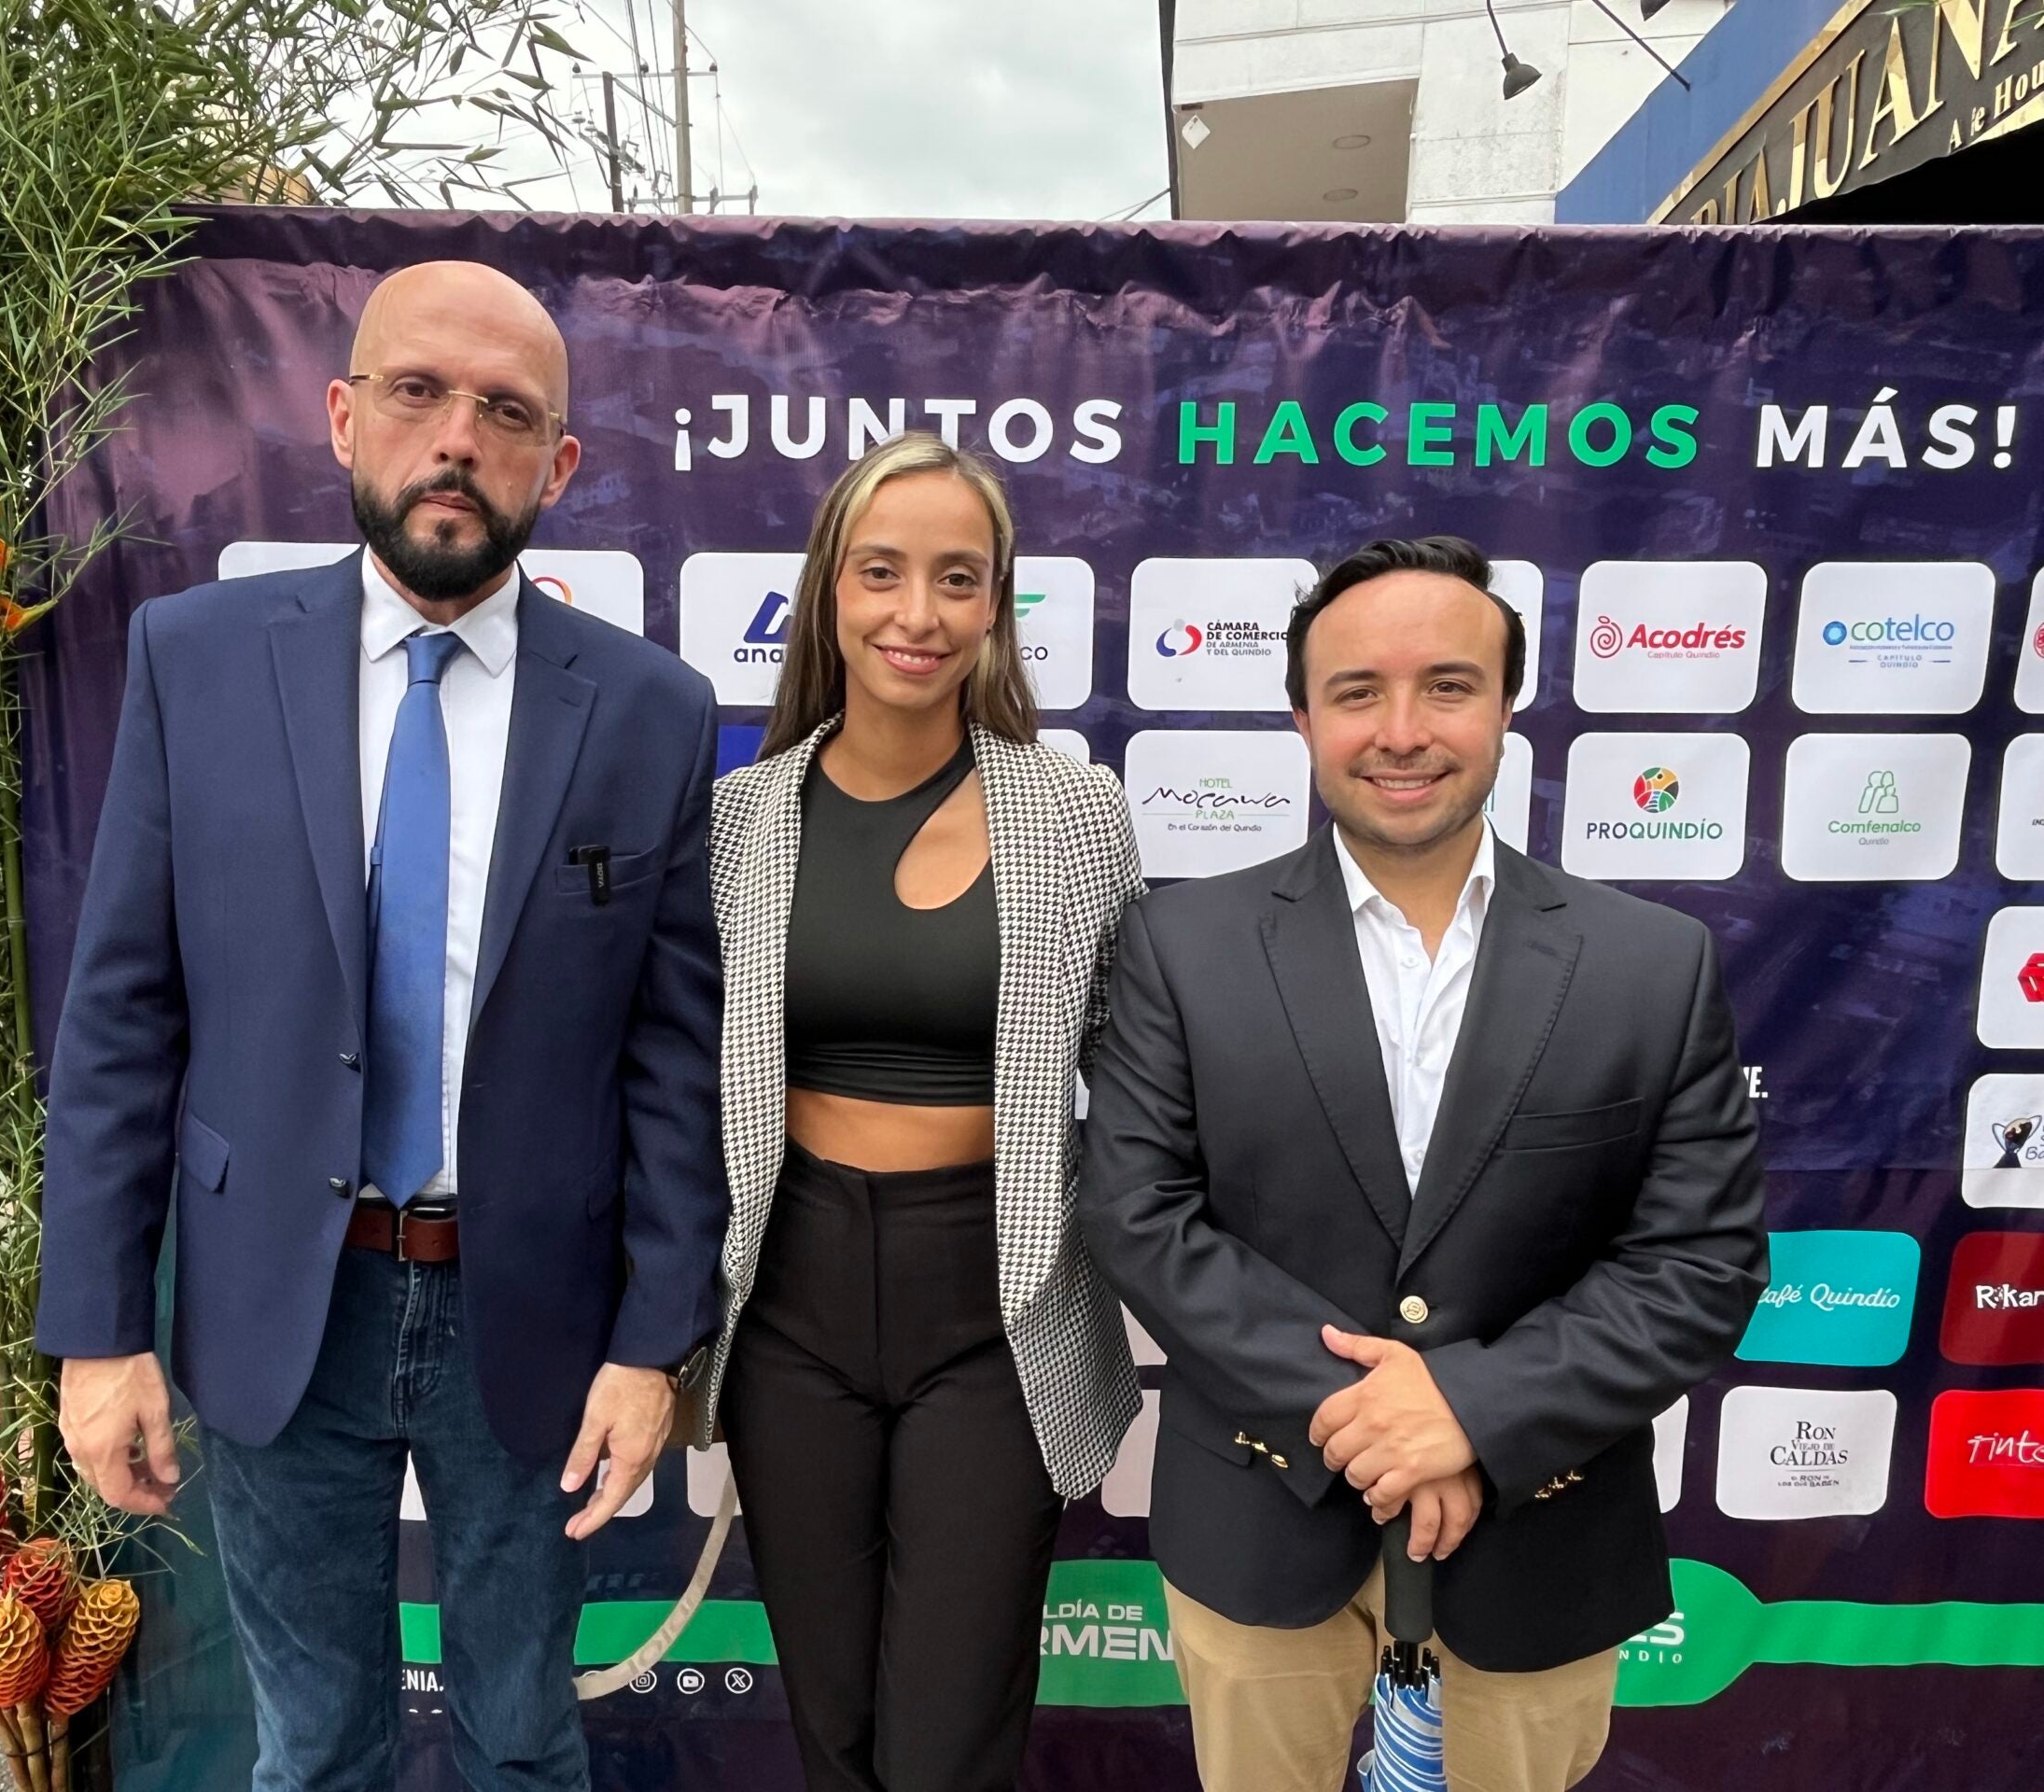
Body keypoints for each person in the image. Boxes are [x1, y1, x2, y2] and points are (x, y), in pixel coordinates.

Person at [39, 261, 728, 1792]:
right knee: (316, 1748)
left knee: (525, 1742)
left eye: (505, 411)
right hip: (282, 1306)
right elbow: (119, 1023)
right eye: (418, 392)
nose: (455, 438)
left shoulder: (650, 711)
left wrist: (654, 1346)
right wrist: (97, 1332)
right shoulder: (199, 663)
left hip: (533, 1317)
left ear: (558, 466)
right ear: (347, 417)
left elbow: (677, 1064)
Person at [1077, 536, 1768, 1792]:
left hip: (1543, 1524)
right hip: (1262, 1516)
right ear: (1302, 716)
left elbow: (1699, 1263)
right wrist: (1382, 1427)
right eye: (1357, 692)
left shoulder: (1651, 966)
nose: (1402, 731)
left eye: (1447, 685)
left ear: (1507, 706)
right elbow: (1139, 1217)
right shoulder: (1179, 946)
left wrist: (1472, 1414)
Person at [700, 432, 1144, 1792]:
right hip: (791, 1305)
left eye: (960, 578)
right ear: (828, 588)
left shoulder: (1078, 815)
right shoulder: (737, 819)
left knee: (947, 1745)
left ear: (998, 605)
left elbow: (1143, 1081)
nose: (919, 613)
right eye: (883, 572)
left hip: (994, 1308)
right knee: (833, 1728)